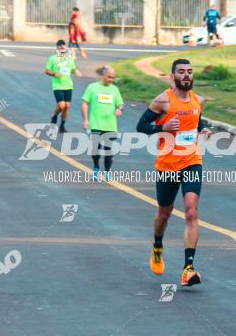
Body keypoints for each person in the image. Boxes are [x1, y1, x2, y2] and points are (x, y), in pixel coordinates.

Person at [136, 58, 211, 287]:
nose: (186, 75)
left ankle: (188, 269)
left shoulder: (198, 100)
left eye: (189, 71)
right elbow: (141, 127)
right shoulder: (163, 101)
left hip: (192, 161)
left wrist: (203, 129)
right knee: (164, 213)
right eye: (181, 72)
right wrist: (162, 128)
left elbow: (195, 120)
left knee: (191, 212)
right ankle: (157, 244)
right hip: (168, 165)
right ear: (172, 76)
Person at [81, 65, 124, 181]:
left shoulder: (114, 89)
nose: (111, 79)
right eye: (109, 77)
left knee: (108, 150)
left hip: (110, 125)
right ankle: (96, 166)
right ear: (103, 75)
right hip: (95, 124)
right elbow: (85, 103)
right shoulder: (92, 87)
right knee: (95, 149)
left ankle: (107, 170)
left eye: (113, 77)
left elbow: (120, 103)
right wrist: (85, 120)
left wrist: (119, 109)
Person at [45, 39, 82, 133]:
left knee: (67, 106)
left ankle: (62, 126)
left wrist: (76, 72)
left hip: (68, 85)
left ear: (65, 47)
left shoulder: (69, 58)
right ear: (57, 48)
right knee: (61, 105)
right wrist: (54, 74)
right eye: (59, 45)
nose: (62, 47)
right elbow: (47, 71)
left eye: (63, 45)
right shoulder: (52, 58)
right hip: (57, 85)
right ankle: (54, 117)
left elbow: (72, 69)